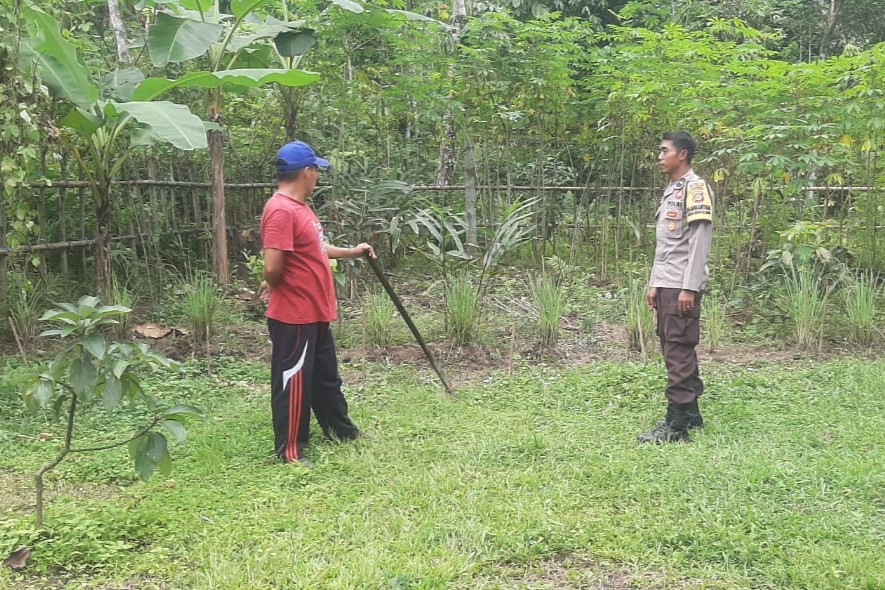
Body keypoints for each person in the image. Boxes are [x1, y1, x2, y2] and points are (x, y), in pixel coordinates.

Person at [260, 140, 375, 466]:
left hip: (314, 310)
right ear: (306, 172)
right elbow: (272, 266)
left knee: (325, 377)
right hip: (294, 314)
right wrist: (273, 285)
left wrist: (353, 251)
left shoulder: (301, 209)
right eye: (317, 170)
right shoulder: (280, 210)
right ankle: (291, 450)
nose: (318, 177)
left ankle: (340, 430)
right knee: (294, 380)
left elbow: (316, 249)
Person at [638, 131, 714, 444]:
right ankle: (692, 413)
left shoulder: (695, 189)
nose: (659, 156)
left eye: (664, 150)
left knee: (678, 349)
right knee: (674, 345)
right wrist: (655, 282)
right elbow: (666, 246)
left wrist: (689, 288)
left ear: (681, 154)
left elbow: (699, 243)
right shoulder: (673, 190)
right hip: (668, 282)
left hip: (682, 284)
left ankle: (676, 425)